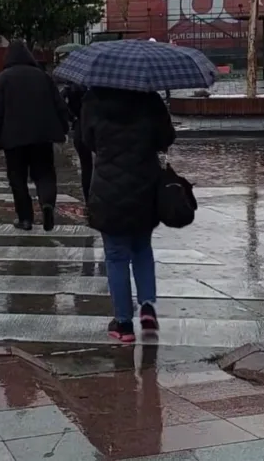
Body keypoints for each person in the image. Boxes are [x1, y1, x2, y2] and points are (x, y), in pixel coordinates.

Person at [82, 86, 175, 343]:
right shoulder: (149, 99)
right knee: (142, 248)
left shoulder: (94, 98)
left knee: (115, 256)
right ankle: (147, 307)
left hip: (107, 188)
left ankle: (123, 324)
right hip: (145, 186)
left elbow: (87, 140)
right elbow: (166, 138)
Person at [0, 40, 68, 231]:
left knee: (17, 179)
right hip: (42, 136)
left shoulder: (3, 78)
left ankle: (25, 219)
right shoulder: (43, 77)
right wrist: (63, 130)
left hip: (13, 139)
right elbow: (59, 105)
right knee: (45, 173)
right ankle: (47, 204)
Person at [61, 79, 92, 201]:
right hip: (99, 126)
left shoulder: (71, 87)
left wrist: (71, 118)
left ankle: (88, 198)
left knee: (86, 165)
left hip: (80, 126)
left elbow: (61, 103)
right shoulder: (98, 88)